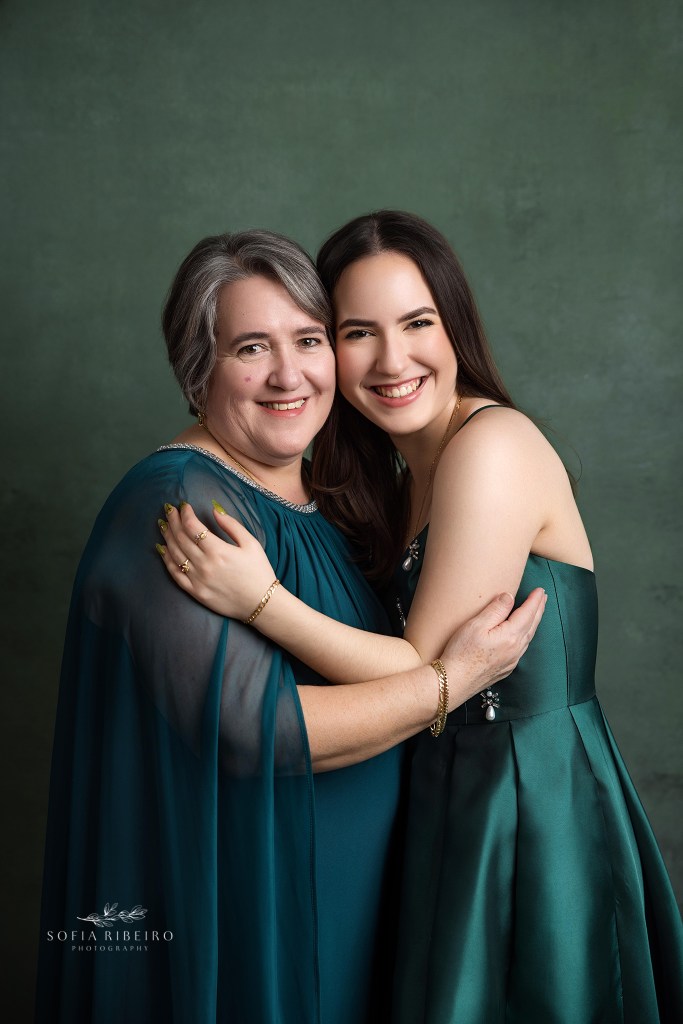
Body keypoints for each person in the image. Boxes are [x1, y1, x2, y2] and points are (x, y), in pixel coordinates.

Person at [160, 212, 683, 1024]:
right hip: (445, 794)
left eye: (416, 323)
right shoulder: (401, 474)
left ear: (455, 327)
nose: (392, 359)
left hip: (532, 803)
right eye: (357, 332)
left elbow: (414, 671)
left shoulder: (490, 445)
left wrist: (258, 599)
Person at [35, 228, 545, 1024]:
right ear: (195, 367)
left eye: (308, 339)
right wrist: (453, 680)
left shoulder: (324, 502)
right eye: (249, 348)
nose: (288, 374)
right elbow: (257, 731)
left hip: (355, 913)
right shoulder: (180, 503)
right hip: (255, 918)